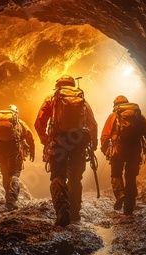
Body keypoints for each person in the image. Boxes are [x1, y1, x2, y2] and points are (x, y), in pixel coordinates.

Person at [35, 75, 98, 227]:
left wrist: (45, 140)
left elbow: (39, 122)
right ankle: (75, 214)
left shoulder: (52, 99)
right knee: (75, 178)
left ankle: (63, 211)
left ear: (57, 86)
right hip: (79, 143)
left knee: (58, 176)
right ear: (73, 84)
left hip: (59, 142)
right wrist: (94, 144)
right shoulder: (82, 99)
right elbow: (92, 124)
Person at [100, 95, 146, 215]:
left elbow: (105, 135)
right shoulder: (138, 116)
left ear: (115, 106)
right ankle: (129, 208)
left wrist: (104, 149)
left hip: (117, 150)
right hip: (135, 150)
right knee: (131, 177)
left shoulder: (113, 116)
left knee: (116, 174)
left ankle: (120, 194)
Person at [0, 104, 35, 210]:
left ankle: (8, 195)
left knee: (5, 172)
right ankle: (11, 200)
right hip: (14, 149)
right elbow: (29, 136)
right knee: (14, 173)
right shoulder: (19, 123)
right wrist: (32, 149)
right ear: (16, 113)